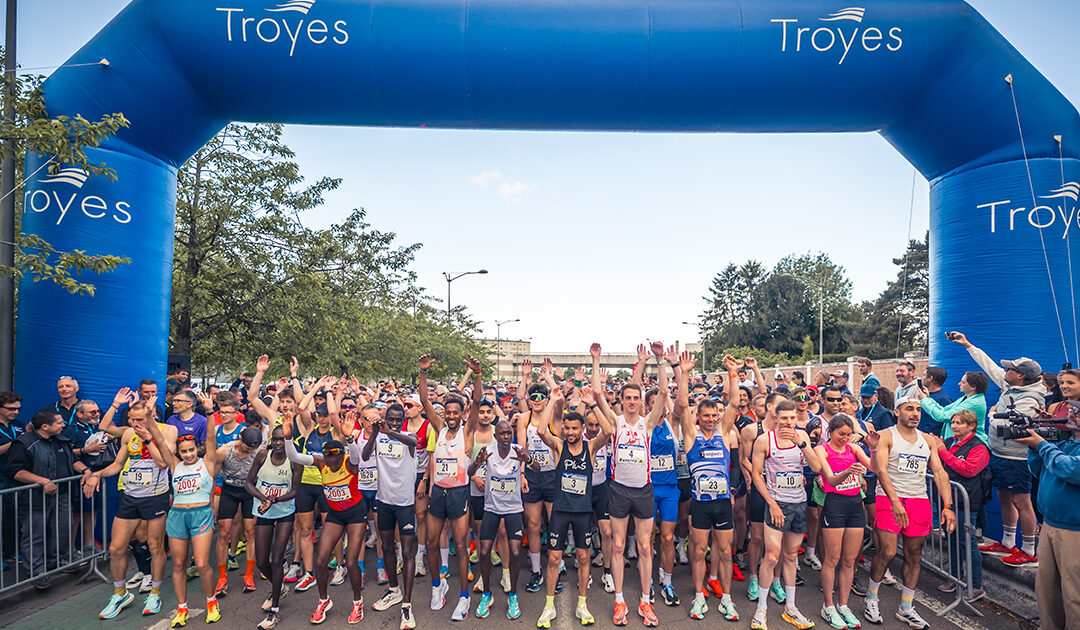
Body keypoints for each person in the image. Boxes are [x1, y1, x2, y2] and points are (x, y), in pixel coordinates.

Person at [948, 331, 1045, 567]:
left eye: (1010, 369)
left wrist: (992, 415)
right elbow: (989, 366)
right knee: (1004, 497)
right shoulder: (1011, 386)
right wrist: (969, 345)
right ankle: (1008, 542)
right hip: (1000, 453)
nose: (1005, 372)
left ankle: (1029, 550)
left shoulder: (1031, 398)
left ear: (1020, 376)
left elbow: (1010, 425)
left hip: (1017, 458)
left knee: (1021, 501)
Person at [864, 396, 956, 629]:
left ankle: (906, 607)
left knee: (915, 554)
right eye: (909, 409)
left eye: (918, 410)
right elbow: (881, 470)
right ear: (897, 412)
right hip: (889, 498)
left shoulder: (928, 440)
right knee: (887, 551)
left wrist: (948, 506)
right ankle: (871, 598)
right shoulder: (886, 436)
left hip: (919, 500)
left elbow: (939, 472)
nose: (915, 413)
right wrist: (895, 501)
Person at [83, 399, 177, 619]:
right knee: (116, 548)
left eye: (138, 420)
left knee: (155, 546)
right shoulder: (127, 434)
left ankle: (154, 592)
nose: (133, 423)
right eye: (131, 420)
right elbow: (117, 465)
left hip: (155, 497)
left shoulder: (168, 431)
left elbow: (164, 462)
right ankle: (120, 594)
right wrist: (96, 474)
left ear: (151, 416)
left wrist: (147, 438)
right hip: (130, 496)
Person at [534, 371, 613, 628]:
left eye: (574, 428)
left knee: (583, 558)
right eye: (566, 428)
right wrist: (551, 401)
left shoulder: (591, 448)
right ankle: (548, 606)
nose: (569, 432)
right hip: (560, 511)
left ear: (582, 430)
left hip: (582, 512)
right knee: (554, 558)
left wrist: (591, 404)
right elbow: (540, 430)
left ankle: (582, 604)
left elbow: (608, 430)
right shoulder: (559, 447)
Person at [598, 341, 668, 627]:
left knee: (643, 547)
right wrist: (596, 360)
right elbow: (596, 394)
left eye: (635, 397)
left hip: (643, 491)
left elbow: (663, 392)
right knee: (616, 547)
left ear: (641, 401)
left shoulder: (648, 423)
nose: (631, 401)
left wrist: (660, 359)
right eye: (626, 397)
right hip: (618, 490)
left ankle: (645, 600)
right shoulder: (615, 423)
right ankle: (619, 600)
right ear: (622, 400)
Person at [142, 400, 222, 627]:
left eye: (191, 450)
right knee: (178, 565)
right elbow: (158, 439)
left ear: (197, 448)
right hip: (177, 517)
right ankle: (182, 608)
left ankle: (211, 602)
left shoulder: (207, 463)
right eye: (183, 451)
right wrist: (149, 417)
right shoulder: (175, 465)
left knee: (203, 564)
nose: (188, 454)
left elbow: (211, 438)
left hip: (201, 516)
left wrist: (208, 411)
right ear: (178, 452)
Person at [284, 412, 368, 625]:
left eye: (335, 456)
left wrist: (349, 439)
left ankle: (357, 601)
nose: (331, 460)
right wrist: (287, 438)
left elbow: (357, 458)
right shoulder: (321, 463)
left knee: (350, 561)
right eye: (327, 455)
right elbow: (294, 457)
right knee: (321, 560)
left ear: (342, 455)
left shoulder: (349, 463)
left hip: (356, 514)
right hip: (336, 515)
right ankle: (323, 600)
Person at [418, 354, 483, 621]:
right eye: (449, 413)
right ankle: (437, 586)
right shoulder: (440, 428)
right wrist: (422, 373)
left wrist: (477, 374)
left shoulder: (468, 431)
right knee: (432, 543)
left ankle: (464, 596)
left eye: (457, 413)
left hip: (459, 494)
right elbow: (424, 400)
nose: (452, 416)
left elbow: (478, 401)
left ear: (463, 414)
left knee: (460, 543)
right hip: (439, 494)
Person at [677, 353, 740, 621]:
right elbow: (681, 406)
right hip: (701, 503)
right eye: (706, 414)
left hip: (723, 502)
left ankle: (726, 598)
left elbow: (734, 404)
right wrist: (684, 374)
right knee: (699, 551)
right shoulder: (691, 436)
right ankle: (699, 596)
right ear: (698, 416)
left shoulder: (724, 434)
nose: (711, 418)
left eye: (715, 414)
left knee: (725, 551)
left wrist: (733, 373)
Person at [749, 399, 822, 630]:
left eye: (792, 418)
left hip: (798, 503)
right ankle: (761, 610)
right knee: (771, 557)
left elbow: (817, 467)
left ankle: (791, 608)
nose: (788, 423)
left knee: (791, 557)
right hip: (777, 504)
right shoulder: (764, 440)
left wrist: (802, 445)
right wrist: (771, 503)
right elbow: (756, 474)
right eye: (784, 418)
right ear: (776, 418)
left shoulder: (801, 437)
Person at [7, 408, 93, 589]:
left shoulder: (60, 440)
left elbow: (71, 460)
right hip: (34, 498)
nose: (64, 425)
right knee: (34, 535)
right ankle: (36, 572)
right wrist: (42, 481)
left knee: (63, 528)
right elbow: (15, 471)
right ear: (45, 426)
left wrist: (86, 470)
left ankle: (56, 562)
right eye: (59, 422)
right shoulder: (23, 443)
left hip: (61, 495)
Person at [1014, 400, 1080, 629]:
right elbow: (1040, 470)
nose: (1071, 414)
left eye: (1078, 412)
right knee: (1047, 593)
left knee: (1074, 596)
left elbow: (1071, 470)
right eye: (1072, 410)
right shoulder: (1067, 443)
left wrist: (1041, 445)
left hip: (1074, 532)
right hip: (1051, 524)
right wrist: (1034, 449)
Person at [814, 414, 876, 630]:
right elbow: (830, 480)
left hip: (854, 505)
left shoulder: (853, 448)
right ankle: (828, 606)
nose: (846, 438)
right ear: (830, 432)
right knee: (832, 559)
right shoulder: (822, 450)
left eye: (849, 435)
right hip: (834, 505)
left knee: (849, 560)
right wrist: (848, 471)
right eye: (841, 434)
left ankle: (843, 604)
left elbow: (874, 467)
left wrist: (874, 449)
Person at [471, 419, 535, 621]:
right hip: (492, 507)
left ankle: (513, 595)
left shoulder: (518, 450)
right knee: (483, 551)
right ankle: (487, 594)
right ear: (495, 436)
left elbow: (539, 469)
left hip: (513, 509)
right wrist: (477, 462)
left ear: (512, 434)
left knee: (516, 551)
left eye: (509, 433)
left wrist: (529, 460)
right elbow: (470, 473)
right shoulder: (488, 451)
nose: (506, 437)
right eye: (502, 434)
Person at [364, 402, 420, 630]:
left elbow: (413, 442)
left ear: (403, 419)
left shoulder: (408, 436)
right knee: (387, 548)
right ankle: (394, 591)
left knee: (407, 553)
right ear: (385, 417)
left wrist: (391, 432)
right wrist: (376, 432)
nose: (395, 422)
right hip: (384, 501)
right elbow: (366, 456)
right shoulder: (379, 436)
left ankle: (407, 605)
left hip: (405, 503)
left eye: (399, 419)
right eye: (391, 419)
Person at [927, 410, 990, 603]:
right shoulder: (948, 442)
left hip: (967, 502)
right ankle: (954, 577)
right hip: (949, 501)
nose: (954, 426)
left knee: (967, 542)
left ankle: (976, 585)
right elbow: (936, 465)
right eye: (953, 422)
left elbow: (969, 470)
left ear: (972, 426)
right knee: (952, 540)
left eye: (960, 423)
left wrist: (943, 452)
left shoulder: (979, 447)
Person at [245, 424, 303, 630]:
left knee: (278, 558)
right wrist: (264, 499)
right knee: (262, 562)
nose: (278, 443)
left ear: (289, 440)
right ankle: (279, 586)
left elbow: (294, 491)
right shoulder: (262, 456)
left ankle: (274, 611)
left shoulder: (295, 461)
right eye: (275, 439)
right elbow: (249, 483)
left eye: (282, 439)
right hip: (263, 510)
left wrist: (275, 499)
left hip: (285, 511)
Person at [515, 358, 559, 594]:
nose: (537, 400)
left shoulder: (555, 416)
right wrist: (522, 475)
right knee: (532, 525)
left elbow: (557, 395)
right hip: (532, 475)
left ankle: (556, 565)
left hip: (553, 476)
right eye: (533, 397)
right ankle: (535, 570)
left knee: (554, 523)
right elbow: (523, 449)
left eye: (542, 397)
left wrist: (548, 376)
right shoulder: (524, 418)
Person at [915, 371, 988, 442]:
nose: (959, 384)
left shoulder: (975, 403)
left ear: (973, 387)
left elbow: (943, 416)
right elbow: (944, 410)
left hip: (970, 443)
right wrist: (928, 399)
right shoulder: (966, 398)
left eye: (963, 382)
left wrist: (924, 400)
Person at [0, 391, 24, 563]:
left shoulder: (18, 424)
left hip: (15, 477)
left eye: (18, 409)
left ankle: (11, 551)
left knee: (13, 517)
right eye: (11, 409)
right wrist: (15, 444)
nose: (15, 412)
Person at [916, 367, 952, 435]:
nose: (922, 378)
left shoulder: (944, 399)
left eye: (924, 375)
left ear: (930, 378)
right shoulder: (925, 396)